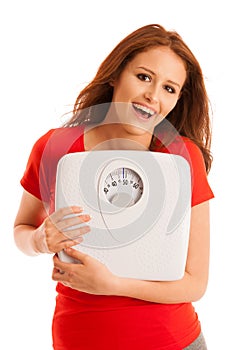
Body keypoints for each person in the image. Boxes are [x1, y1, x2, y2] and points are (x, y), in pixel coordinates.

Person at [14, 24, 214, 349]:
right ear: (115, 75)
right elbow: (22, 228)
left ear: (177, 100)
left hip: (173, 341)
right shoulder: (55, 148)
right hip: (80, 339)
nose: (153, 95)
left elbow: (195, 284)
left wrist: (112, 284)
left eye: (169, 88)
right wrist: (38, 240)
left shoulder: (182, 158)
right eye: (144, 77)